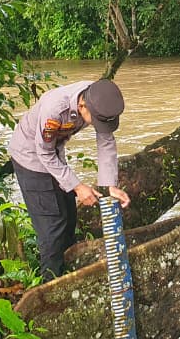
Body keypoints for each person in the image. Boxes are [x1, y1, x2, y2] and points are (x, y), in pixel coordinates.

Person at [8, 78, 131, 279]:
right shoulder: (54, 110)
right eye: (96, 121)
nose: (98, 125)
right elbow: (44, 153)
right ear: (81, 106)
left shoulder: (98, 96)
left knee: (68, 216)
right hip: (30, 156)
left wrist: (110, 186)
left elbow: (106, 141)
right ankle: (49, 288)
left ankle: (69, 275)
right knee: (52, 228)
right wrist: (77, 186)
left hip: (55, 154)